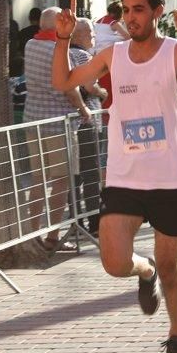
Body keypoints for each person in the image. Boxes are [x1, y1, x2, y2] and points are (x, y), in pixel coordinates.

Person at [51, 0, 177, 353]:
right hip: (124, 177)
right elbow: (64, 81)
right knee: (114, 263)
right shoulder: (114, 55)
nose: (131, 17)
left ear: (157, 12)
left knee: (171, 267)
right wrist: (62, 41)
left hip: (168, 179)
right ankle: (143, 273)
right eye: (126, 10)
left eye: (139, 9)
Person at [23, 7, 92, 252]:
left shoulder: (30, 45)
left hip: (33, 120)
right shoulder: (59, 50)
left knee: (38, 179)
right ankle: (53, 235)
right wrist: (84, 109)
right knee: (61, 182)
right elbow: (70, 87)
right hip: (58, 123)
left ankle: (32, 233)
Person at [70, 18, 109, 236]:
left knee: (75, 175)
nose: (94, 37)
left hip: (71, 124)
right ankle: (95, 221)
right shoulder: (83, 56)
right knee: (91, 172)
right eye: (92, 34)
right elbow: (88, 85)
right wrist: (102, 92)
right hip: (86, 122)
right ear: (80, 35)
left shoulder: (64, 55)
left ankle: (77, 222)